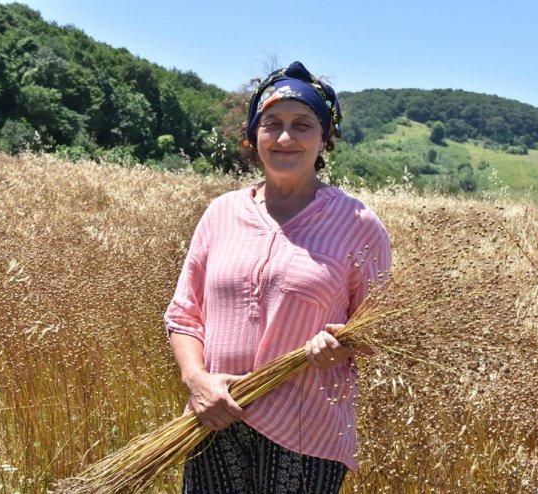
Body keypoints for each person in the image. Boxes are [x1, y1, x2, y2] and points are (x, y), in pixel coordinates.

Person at [164, 61, 392, 494]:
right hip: (213, 418)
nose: (286, 137)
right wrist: (196, 381)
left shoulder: (358, 224)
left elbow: (378, 327)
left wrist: (342, 344)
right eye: (273, 124)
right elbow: (184, 314)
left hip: (307, 429)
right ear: (254, 136)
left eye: (303, 124)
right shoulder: (222, 214)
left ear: (325, 137)